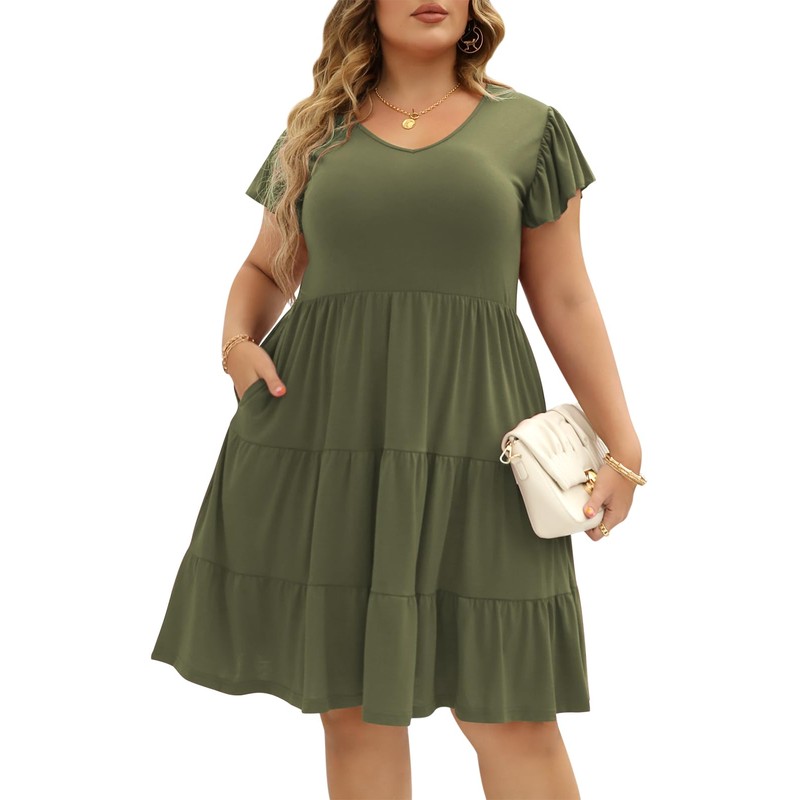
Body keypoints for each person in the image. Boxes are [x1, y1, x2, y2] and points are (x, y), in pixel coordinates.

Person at [151, 1, 645, 798]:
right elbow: (266, 268)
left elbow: (565, 296)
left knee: (511, 712)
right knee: (352, 709)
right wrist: (237, 346)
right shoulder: (315, 131)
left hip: (479, 442)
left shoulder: (531, 129)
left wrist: (624, 445)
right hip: (325, 436)